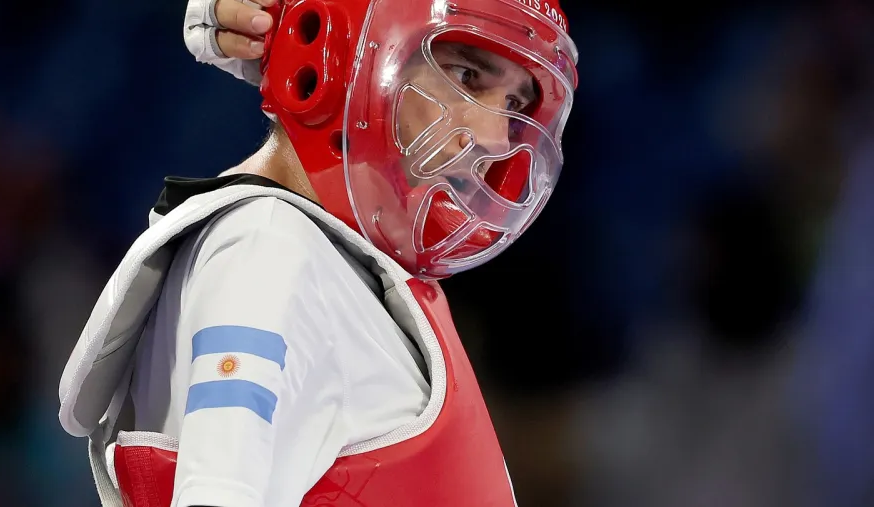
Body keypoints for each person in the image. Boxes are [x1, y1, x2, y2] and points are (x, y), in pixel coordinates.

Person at [58, 0, 578, 505]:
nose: (496, 137)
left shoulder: (338, 265)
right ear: (345, 60)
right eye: (466, 76)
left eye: (514, 105)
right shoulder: (267, 249)